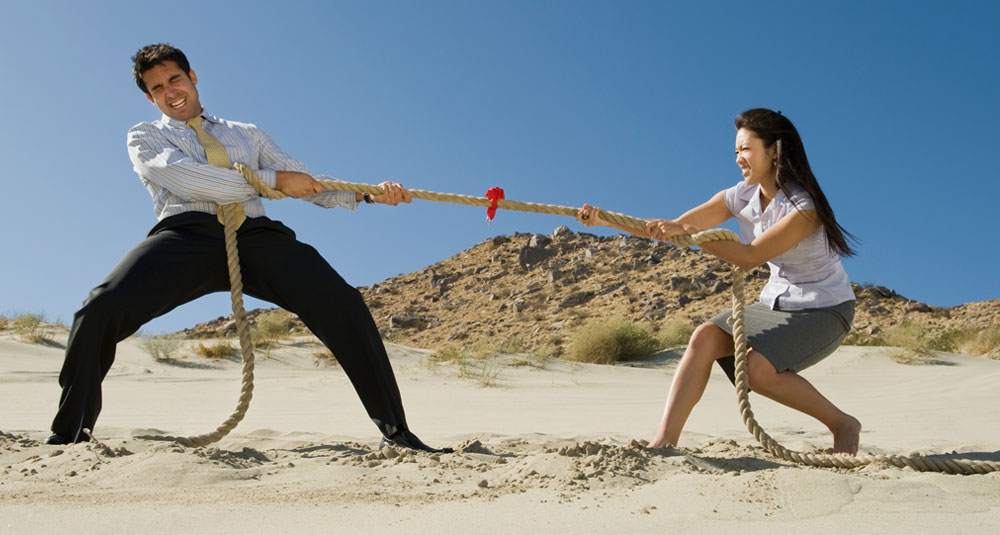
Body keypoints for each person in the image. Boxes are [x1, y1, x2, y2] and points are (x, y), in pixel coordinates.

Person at [44, 43, 451, 453]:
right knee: (99, 308)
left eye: (175, 79)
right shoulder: (144, 136)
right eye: (158, 88)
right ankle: (70, 433)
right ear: (150, 98)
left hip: (256, 234)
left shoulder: (247, 134)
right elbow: (187, 179)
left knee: (343, 302)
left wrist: (366, 194)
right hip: (186, 234)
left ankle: (397, 433)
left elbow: (304, 180)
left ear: (193, 78)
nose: (171, 91)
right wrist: (271, 182)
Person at [575, 108, 861, 455]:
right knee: (706, 336)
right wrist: (606, 220)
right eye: (736, 152)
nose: (739, 159)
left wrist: (697, 236)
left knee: (756, 371)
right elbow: (673, 227)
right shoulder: (739, 196)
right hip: (778, 303)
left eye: (746, 149)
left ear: (774, 150)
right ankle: (664, 443)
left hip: (825, 309)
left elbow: (750, 256)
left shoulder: (804, 208)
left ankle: (843, 425)